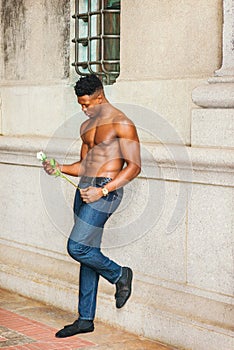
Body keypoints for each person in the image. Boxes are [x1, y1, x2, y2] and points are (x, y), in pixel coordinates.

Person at [43, 74, 141, 338]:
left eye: (87, 104)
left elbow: (134, 167)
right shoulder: (86, 127)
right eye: (80, 105)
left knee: (76, 247)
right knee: (87, 251)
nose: (83, 109)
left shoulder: (122, 123)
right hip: (85, 190)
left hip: (105, 191)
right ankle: (85, 318)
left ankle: (120, 274)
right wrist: (58, 168)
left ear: (100, 96)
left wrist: (104, 190)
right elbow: (84, 166)